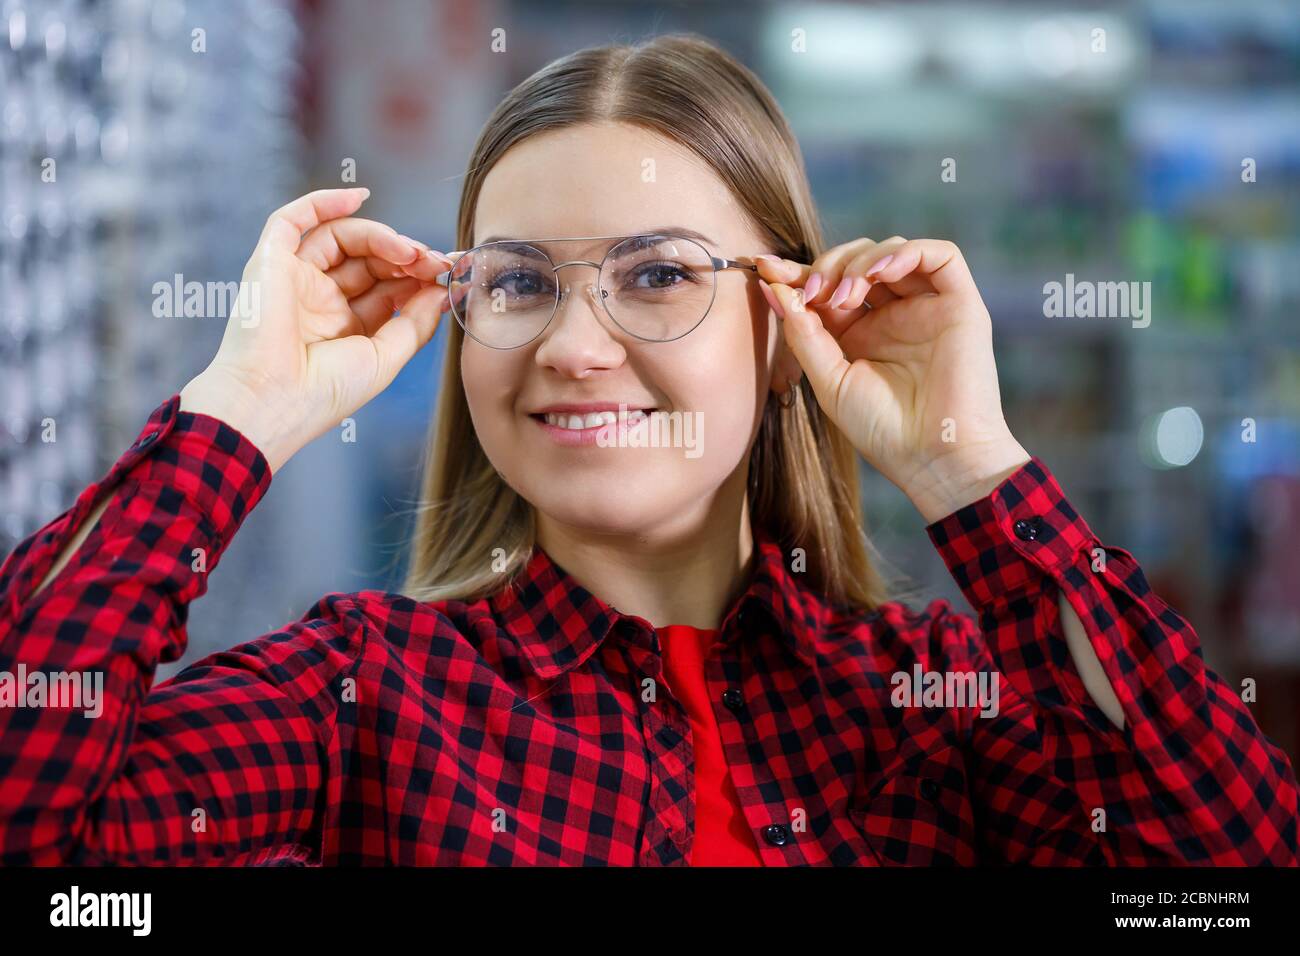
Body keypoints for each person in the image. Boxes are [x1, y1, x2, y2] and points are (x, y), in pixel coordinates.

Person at [0, 33, 1295, 866]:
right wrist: (239, 414)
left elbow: (1226, 860)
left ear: (786, 325)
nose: (574, 347)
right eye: (517, 285)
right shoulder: (366, 696)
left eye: (661, 274)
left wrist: (968, 469)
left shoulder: (941, 702)